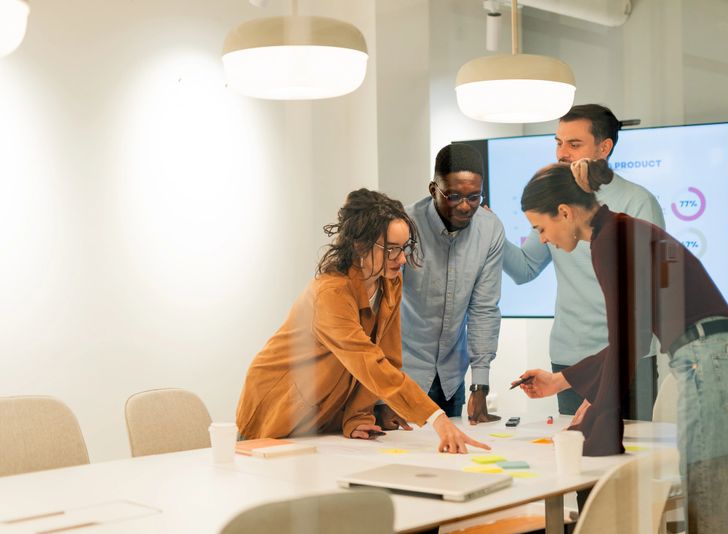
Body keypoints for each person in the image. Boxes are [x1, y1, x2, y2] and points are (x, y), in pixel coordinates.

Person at [515, 160, 728, 533]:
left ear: (563, 212)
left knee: (709, 499)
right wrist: (564, 381)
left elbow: (626, 338)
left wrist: (597, 419)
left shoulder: (609, 240)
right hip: (714, 353)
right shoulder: (620, 230)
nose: (542, 238)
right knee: (711, 495)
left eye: (540, 228)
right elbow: (633, 336)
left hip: (706, 357)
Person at [236, 189, 490, 454]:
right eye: (392, 249)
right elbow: (368, 361)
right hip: (277, 410)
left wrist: (358, 416)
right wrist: (434, 417)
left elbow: (387, 356)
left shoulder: (389, 281)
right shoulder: (330, 294)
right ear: (360, 244)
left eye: (405, 248)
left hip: (320, 416)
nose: (401, 259)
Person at [503, 104, 665, 420]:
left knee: (630, 454)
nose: (562, 153)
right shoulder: (554, 201)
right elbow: (524, 269)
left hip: (630, 357)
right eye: (558, 142)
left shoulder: (637, 203)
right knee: (576, 451)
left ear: (604, 148)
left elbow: (649, 294)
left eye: (574, 144)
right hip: (569, 355)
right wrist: (486, 230)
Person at [375, 144, 504, 430]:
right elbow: (380, 309)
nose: (464, 205)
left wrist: (479, 386)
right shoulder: (404, 226)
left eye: (474, 196)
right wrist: (380, 397)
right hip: (401, 376)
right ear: (433, 188)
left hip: (450, 379)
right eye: (454, 195)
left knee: (452, 462)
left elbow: (483, 309)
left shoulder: (490, 229)